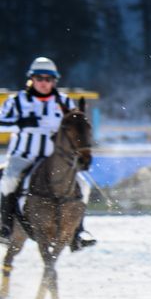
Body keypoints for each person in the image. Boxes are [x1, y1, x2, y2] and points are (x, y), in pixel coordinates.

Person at [0, 57, 95, 249]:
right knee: (8, 181)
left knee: (83, 186)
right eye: (40, 78)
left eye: (49, 79)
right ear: (32, 79)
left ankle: (78, 233)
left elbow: (76, 129)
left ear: (54, 81)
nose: (44, 82)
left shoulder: (65, 101)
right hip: (23, 157)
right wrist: (20, 123)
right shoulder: (16, 102)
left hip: (53, 160)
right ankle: (5, 226)